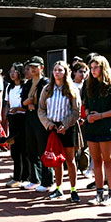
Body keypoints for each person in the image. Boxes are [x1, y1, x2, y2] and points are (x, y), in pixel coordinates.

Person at [38, 60, 82, 202]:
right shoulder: (47, 89)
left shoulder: (72, 89)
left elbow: (76, 111)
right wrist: (48, 123)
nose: (57, 72)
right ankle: (58, 188)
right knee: (56, 160)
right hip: (52, 127)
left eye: (60, 70)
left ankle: (74, 190)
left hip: (67, 127)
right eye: (55, 70)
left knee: (70, 160)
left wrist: (66, 124)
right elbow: (41, 109)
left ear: (66, 72)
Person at [83, 55, 111, 205]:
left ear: (103, 67)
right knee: (96, 160)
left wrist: (100, 116)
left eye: (96, 67)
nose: (93, 70)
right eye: (91, 68)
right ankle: (99, 193)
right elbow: (86, 104)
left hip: (107, 127)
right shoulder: (89, 85)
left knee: (108, 160)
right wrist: (88, 115)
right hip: (92, 126)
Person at [22, 56, 53, 193]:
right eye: (31, 67)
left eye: (36, 66)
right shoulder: (28, 83)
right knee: (31, 149)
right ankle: (35, 179)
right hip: (29, 117)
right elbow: (23, 101)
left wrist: (31, 102)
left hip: (42, 118)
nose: (33, 69)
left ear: (42, 67)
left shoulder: (46, 82)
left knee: (43, 149)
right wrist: (28, 102)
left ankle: (47, 181)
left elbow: (43, 101)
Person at [5, 62, 29, 187]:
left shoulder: (25, 87)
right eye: (11, 71)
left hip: (23, 120)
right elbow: (7, 104)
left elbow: (28, 107)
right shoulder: (9, 87)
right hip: (13, 120)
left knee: (24, 150)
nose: (12, 73)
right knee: (14, 150)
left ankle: (26, 177)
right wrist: (5, 117)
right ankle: (16, 176)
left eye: (14, 71)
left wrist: (19, 110)